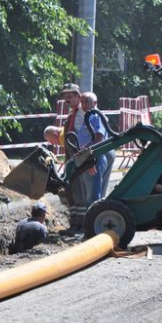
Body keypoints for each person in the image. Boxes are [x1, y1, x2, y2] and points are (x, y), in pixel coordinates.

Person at [79, 92, 117, 202]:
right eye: (82, 102)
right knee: (91, 192)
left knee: (94, 193)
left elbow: (99, 138)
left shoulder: (96, 117)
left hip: (94, 157)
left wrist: (90, 156)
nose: (83, 105)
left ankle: (93, 216)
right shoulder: (88, 117)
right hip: (91, 156)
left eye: (86, 102)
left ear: (95, 103)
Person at [59, 83, 86, 229]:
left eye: (69, 96)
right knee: (71, 191)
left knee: (80, 191)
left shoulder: (84, 114)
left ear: (78, 96)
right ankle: (74, 221)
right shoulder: (71, 117)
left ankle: (82, 223)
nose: (67, 99)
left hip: (81, 160)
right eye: (65, 97)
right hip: (71, 160)